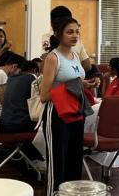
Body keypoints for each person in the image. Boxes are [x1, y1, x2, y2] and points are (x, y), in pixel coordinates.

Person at [40, 16, 98, 196]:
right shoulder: (52, 58)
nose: (75, 36)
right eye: (70, 32)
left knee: (74, 161)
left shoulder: (74, 56)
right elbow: (44, 96)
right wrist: (74, 85)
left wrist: (86, 84)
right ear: (58, 34)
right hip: (57, 114)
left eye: (77, 32)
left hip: (76, 113)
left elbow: (74, 83)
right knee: (58, 163)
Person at [0, 60, 40, 133]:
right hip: (19, 124)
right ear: (35, 70)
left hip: (4, 123)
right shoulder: (32, 79)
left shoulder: (11, 79)